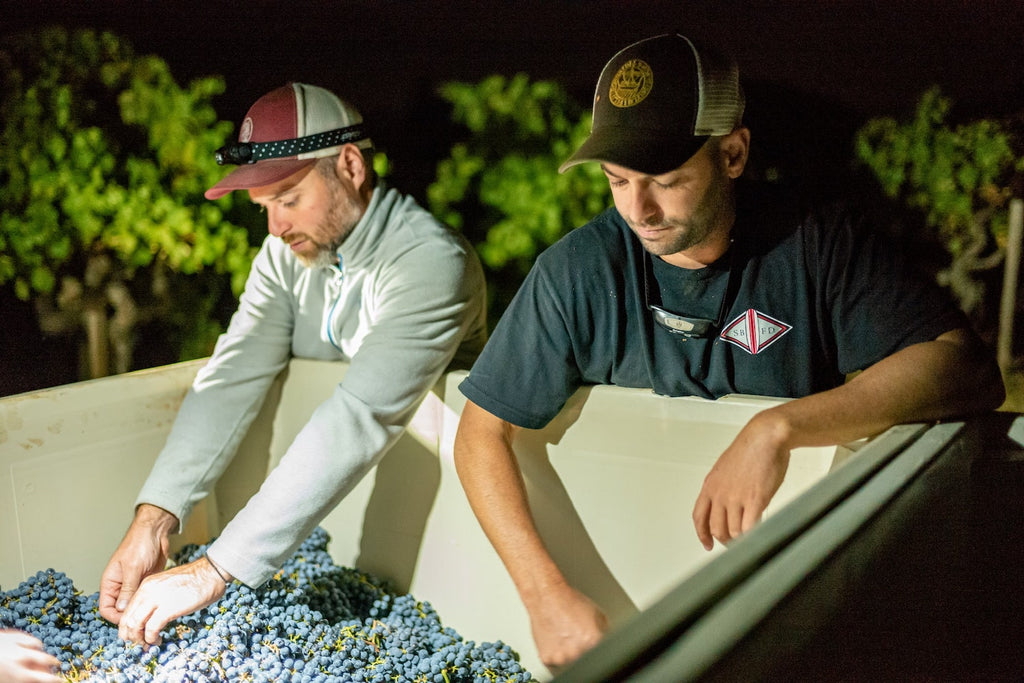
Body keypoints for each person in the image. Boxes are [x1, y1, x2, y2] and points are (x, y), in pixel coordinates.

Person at [452, 33, 1005, 668]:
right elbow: (479, 434)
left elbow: (964, 367)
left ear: (734, 153)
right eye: (616, 180)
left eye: (666, 180)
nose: (639, 209)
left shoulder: (817, 242)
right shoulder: (576, 271)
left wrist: (777, 428)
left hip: (787, 588)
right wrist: (545, 596)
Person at [98, 82, 488, 646]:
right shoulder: (284, 257)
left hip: (450, 546)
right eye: (264, 208)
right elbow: (230, 378)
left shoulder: (430, 262)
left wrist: (213, 569)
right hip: (317, 524)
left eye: (288, 199)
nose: (275, 228)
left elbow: (358, 417)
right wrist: (153, 519)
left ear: (350, 166)